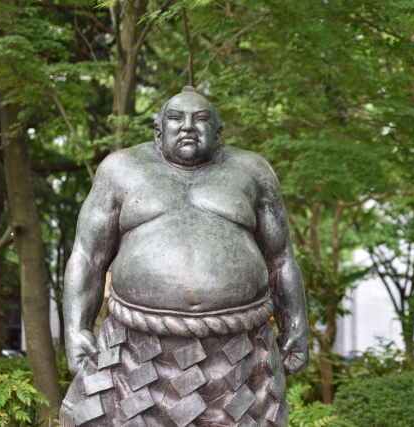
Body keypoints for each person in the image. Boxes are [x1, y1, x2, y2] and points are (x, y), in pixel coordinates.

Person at [60, 86, 309, 427]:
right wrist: (76, 328)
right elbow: (88, 257)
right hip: (134, 347)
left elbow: (280, 259)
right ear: (158, 131)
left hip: (239, 347)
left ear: (218, 134)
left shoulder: (252, 171)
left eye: (201, 119)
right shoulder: (120, 170)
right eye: (176, 118)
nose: (188, 126)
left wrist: (295, 324)